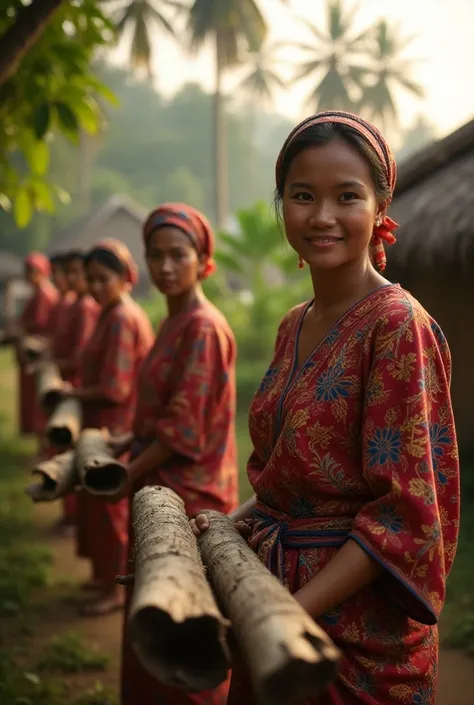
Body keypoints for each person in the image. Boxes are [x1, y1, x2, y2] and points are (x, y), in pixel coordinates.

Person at [192, 112, 460, 705]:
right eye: (302, 196)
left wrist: (284, 615)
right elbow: (283, 479)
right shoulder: (293, 326)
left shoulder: (396, 327)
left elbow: (403, 515)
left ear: (381, 207)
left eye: (347, 196)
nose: (321, 217)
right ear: (281, 204)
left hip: (350, 635)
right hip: (266, 598)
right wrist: (224, 525)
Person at [112, 203, 239, 705]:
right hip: (157, 486)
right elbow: (161, 414)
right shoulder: (172, 321)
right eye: (156, 255)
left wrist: (128, 474)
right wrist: (130, 444)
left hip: (186, 498)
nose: (166, 267)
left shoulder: (202, 328)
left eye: (178, 255)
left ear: (202, 259)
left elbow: (183, 431)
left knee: (179, 625)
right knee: (152, 623)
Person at [60, 239, 153, 616]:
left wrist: (74, 392)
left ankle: (115, 590)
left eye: (104, 279)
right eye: (91, 279)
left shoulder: (121, 318)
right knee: (97, 509)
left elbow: (115, 388)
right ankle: (103, 579)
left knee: (111, 514)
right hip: (101, 423)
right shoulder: (109, 313)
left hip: (116, 428)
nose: (96, 287)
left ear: (124, 278)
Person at [50, 250, 100, 535]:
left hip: (97, 407)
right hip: (84, 397)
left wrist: (74, 391)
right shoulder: (96, 310)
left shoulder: (100, 312)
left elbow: (115, 387)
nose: (70, 279)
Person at [16, 252, 58, 439]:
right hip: (31, 353)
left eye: (32, 271)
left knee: (39, 403)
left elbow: (41, 326)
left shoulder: (45, 294)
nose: (28, 276)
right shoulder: (38, 293)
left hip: (40, 354)